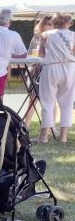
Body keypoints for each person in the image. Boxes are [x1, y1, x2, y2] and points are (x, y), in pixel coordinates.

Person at [38, 13, 75, 143]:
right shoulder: (73, 35)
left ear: (54, 23)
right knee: (67, 103)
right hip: (69, 68)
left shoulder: (45, 35)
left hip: (52, 68)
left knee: (48, 102)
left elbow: (41, 54)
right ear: (68, 23)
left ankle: (43, 136)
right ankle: (63, 137)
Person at [23, 15, 54, 124]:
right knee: (33, 99)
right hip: (37, 70)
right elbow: (30, 53)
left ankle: (50, 127)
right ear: (43, 25)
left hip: (51, 71)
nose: (51, 26)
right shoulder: (37, 37)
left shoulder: (56, 37)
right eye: (49, 24)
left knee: (50, 101)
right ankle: (25, 125)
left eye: (53, 24)